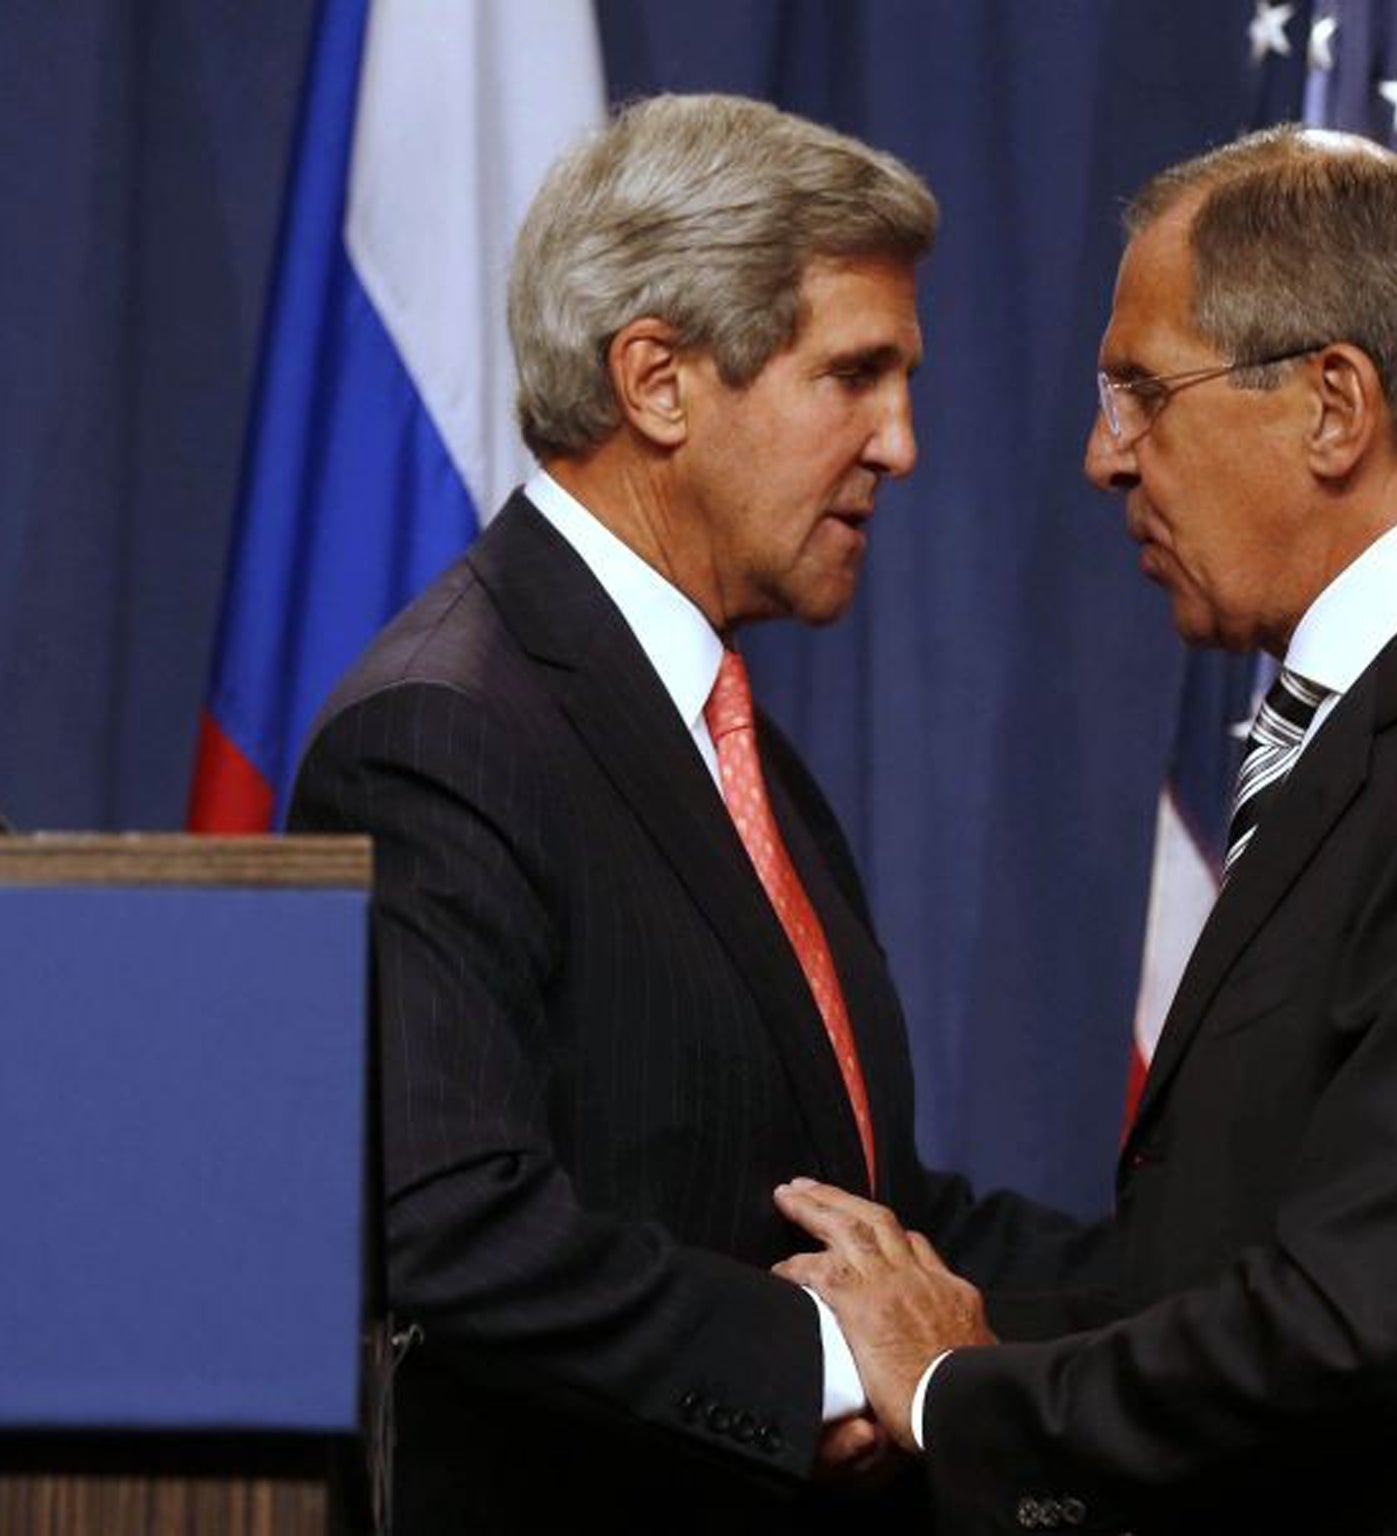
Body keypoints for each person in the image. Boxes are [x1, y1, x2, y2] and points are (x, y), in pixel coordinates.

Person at [773, 125, 1397, 1533]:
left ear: (1335, 406)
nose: (1108, 461)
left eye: (1140, 394)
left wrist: (949, 1391)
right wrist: (933, 1325)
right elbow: (1239, 1255)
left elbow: (1368, 1315)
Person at [288, 94, 1096, 1535]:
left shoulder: (734, 748)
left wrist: (1215, 1283)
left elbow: (864, 1208)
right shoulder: (442, 731)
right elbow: (452, 1225)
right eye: (853, 375)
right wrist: (834, 1365)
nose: (900, 442)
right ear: (658, 380)